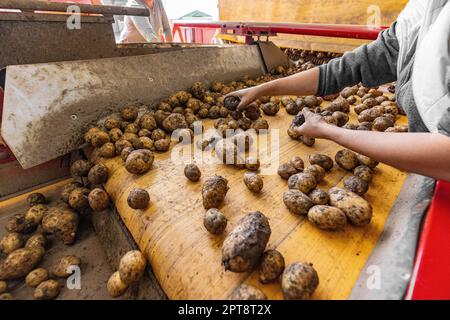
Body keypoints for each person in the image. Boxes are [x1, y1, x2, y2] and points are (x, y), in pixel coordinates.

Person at [229, 0, 450, 182]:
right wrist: (264, 89)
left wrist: (332, 132)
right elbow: (347, 68)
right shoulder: (424, 10)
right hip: (425, 168)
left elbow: (446, 155)